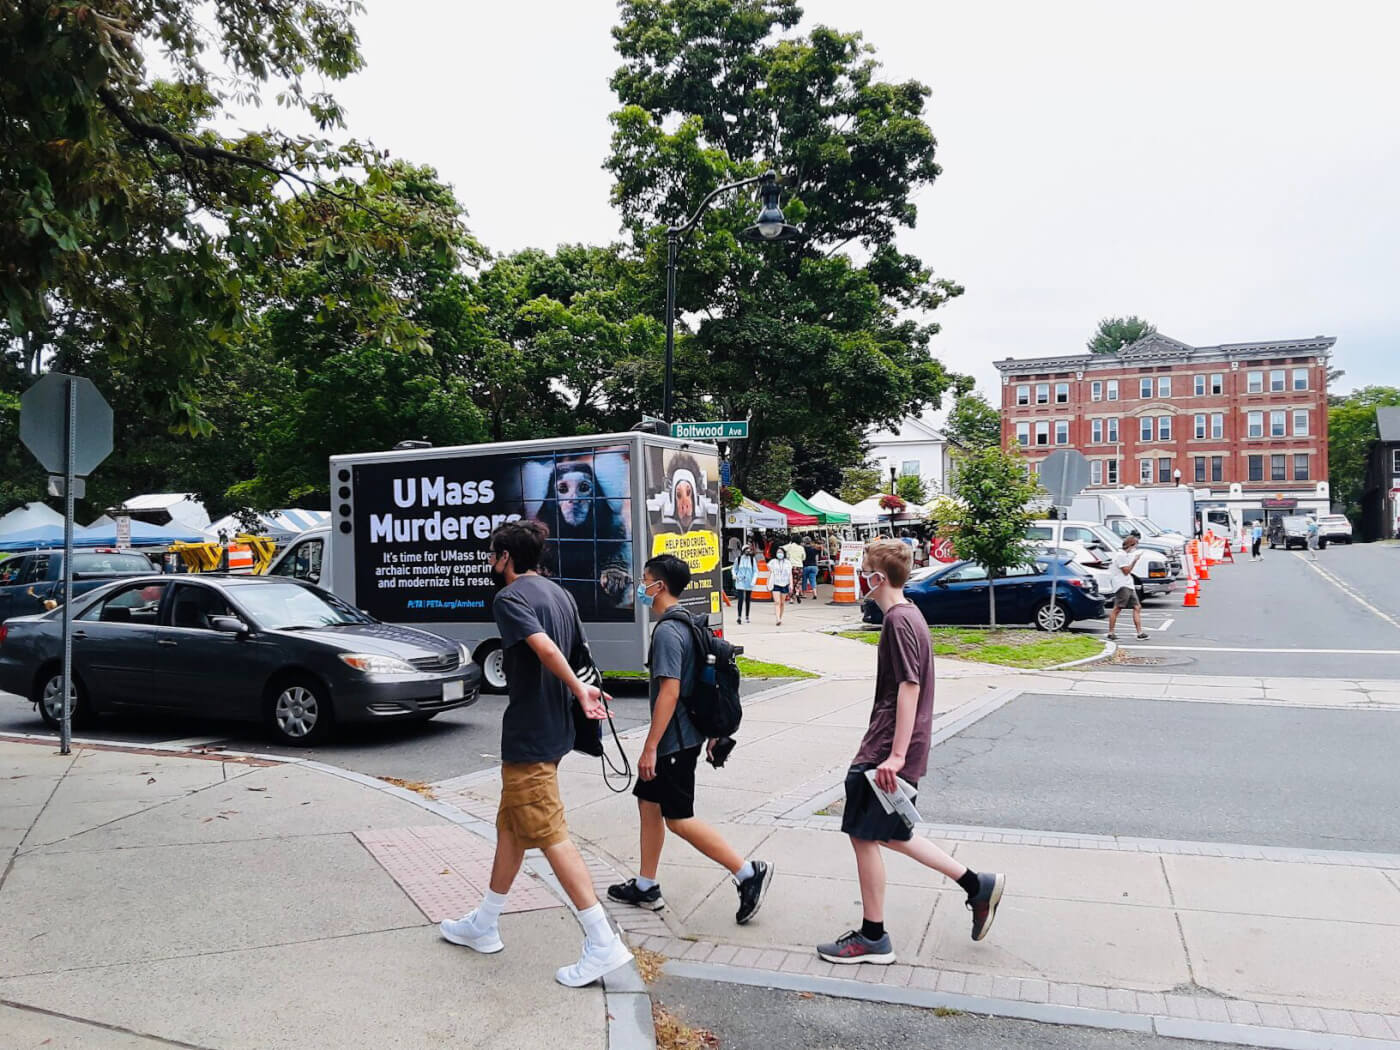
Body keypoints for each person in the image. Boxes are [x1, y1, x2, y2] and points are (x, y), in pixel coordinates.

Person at [440, 521, 632, 988]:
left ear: (506, 556)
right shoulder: (558, 593)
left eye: (491, 554)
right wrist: (581, 690)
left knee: (547, 831)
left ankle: (601, 940)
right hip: (556, 728)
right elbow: (578, 650)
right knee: (513, 824)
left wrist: (576, 689)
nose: (489, 562)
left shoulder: (510, 598)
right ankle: (484, 924)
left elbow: (545, 648)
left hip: (531, 730)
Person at [816, 539, 1005, 965]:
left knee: (864, 835)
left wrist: (895, 755)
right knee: (889, 833)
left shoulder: (898, 622)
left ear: (878, 578)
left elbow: (909, 685)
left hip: (886, 747)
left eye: (865, 570)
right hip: (896, 743)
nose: (862, 576)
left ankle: (873, 937)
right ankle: (977, 885)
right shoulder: (911, 615)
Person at [608, 555, 775, 921]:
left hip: (674, 742)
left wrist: (650, 746)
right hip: (684, 736)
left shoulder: (668, 630)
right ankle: (645, 885)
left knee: (679, 819)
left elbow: (670, 690)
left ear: (659, 586)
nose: (641, 587)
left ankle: (748, 872)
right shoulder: (688, 621)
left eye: (644, 580)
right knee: (648, 804)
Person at [1105, 534, 1148, 642]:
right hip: (1122, 585)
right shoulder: (1121, 556)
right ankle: (1111, 632)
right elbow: (1126, 571)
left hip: (1128, 584)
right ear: (1131, 545)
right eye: (1135, 546)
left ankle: (1140, 633)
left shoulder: (1124, 555)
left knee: (1137, 607)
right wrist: (1135, 560)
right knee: (1117, 608)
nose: (1135, 549)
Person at [733, 544, 758, 624]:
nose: (748, 551)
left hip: (749, 581)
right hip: (740, 581)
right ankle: (739, 616)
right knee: (740, 599)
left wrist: (754, 580)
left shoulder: (752, 560)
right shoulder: (739, 559)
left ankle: (747, 616)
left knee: (748, 599)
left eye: (749, 550)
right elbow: (734, 569)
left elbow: (755, 571)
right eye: (746, 549)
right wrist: (734, 575)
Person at [768, 545, 792, 626]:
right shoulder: (772, 562)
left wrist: (791, 584)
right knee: (777, 602)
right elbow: (770, 573)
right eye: (778, 552)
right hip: (776, 583)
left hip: (785, 583)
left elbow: (790, 574)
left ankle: (780, 617)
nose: (779, 554)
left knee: (782, 602)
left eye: (781, 552)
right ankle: (778, 618)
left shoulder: (788, 563)